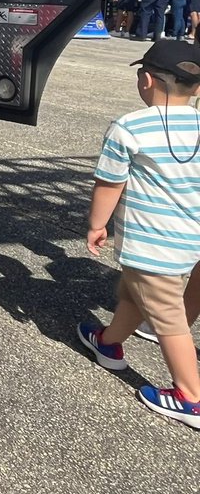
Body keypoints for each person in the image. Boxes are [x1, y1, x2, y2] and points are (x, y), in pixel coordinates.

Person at [77, 40, 200, 429]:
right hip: (193, 240)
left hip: (153, 243)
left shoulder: (129, 127)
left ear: (146, 80)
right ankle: (109, 342)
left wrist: (99, 224)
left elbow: (109, 183)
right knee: (134, 292)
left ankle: (190, 397)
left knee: (168, 318)